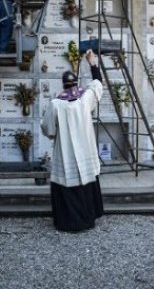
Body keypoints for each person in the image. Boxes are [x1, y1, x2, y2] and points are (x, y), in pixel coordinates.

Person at [40, 49, 104, 232]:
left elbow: (48, 130)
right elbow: (98, 84)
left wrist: (55, 135)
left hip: (65, 151)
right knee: (85, 179)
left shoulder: (55, 104)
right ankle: (87, 219)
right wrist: (92, 63)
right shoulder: (85, 98)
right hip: (86, 150)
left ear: (63, 85)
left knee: (67, 181)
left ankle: (68, 222)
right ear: (75, 83)